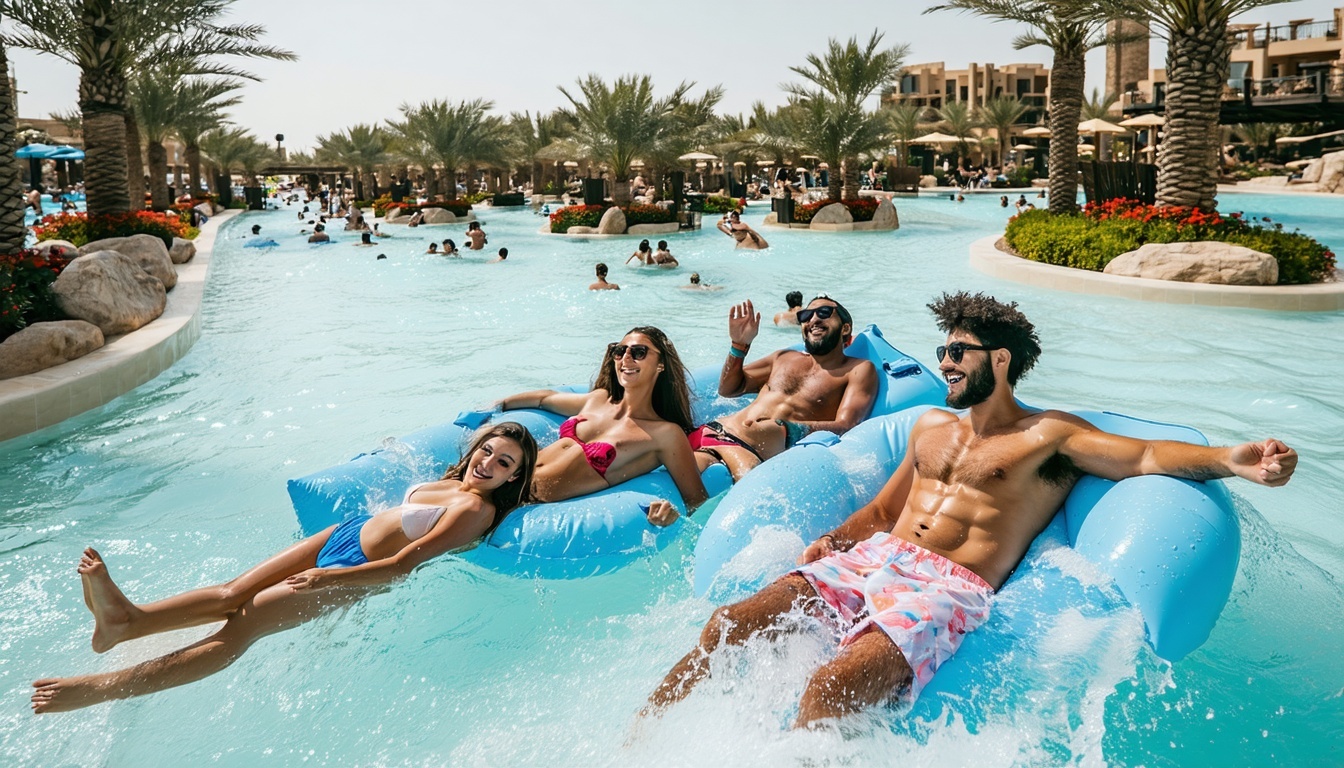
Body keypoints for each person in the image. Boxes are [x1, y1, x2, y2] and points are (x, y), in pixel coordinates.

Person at [643, 291, 1298, 728]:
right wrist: (834, 540)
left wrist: (1234, 460)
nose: (946, 362)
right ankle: (643, 738)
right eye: (943, 352)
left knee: (829, 691)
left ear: (1002, 360)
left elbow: (1148, 457)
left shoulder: (1051, 436)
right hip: (875, 558)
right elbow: (881, 509)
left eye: (960, 352)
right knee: (728, 622)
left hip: (948, 585)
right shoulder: (931, 427)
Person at [30, 423, 540, 714]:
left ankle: (101, 688)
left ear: (515, 476)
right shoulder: (457, 484)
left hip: (354, 570)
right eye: (487, 450)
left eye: (503, 463)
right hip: (344, 535)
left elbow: (403, 566)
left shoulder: (476, 511)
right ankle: (128, 620)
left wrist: (327, 578)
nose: (488, 462)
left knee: (240, 628)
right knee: (232, 591)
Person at [496, 328, 707, 522]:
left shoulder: (665, 434)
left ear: (661, 364)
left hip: (524, 504)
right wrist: (496, 405)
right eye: (619, 351)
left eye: (639, 352)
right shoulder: (598, 399)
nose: (626, 358)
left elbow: (697, 501)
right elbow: (544, 399)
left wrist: (671, 518)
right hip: (501, 480)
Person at [686, 296, 877, 481]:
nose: (814, 319)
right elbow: (729, 389)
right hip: (714, 431)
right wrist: (739, 346)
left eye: (824, 312)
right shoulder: (783, 358)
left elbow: (847, 425)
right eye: (806, 315)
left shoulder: (857, 369)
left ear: (845, 328)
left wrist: (789, 430)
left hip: (749, 451)